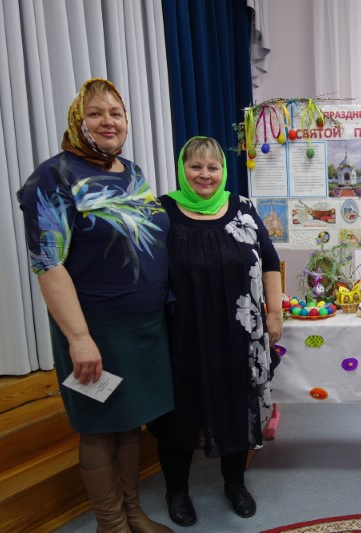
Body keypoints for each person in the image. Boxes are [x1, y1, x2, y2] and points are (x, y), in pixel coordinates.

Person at [17, 78, 174, 533]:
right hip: (95, 327)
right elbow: (48, 264)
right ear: (77, 121)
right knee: (100, 423)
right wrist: (80, 338)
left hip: (144, 323)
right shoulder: (54, 177)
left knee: (130, 421)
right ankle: (112, 524)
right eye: (96, 113)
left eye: (116, 113)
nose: (108, 121)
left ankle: (133, 512)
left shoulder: (132, 171)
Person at [151, 136, 282, 527]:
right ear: (182, 169)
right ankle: (177, 490)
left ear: (223, 171)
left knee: (236, 407)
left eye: (213, 167)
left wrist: (275, 313)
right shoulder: (162, 212)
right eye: (195, 166)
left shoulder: (243, 208)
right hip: (181, 336)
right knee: (179, 415)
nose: (204, 174)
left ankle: (234, 484)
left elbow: (270, 261)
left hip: (238, 335)